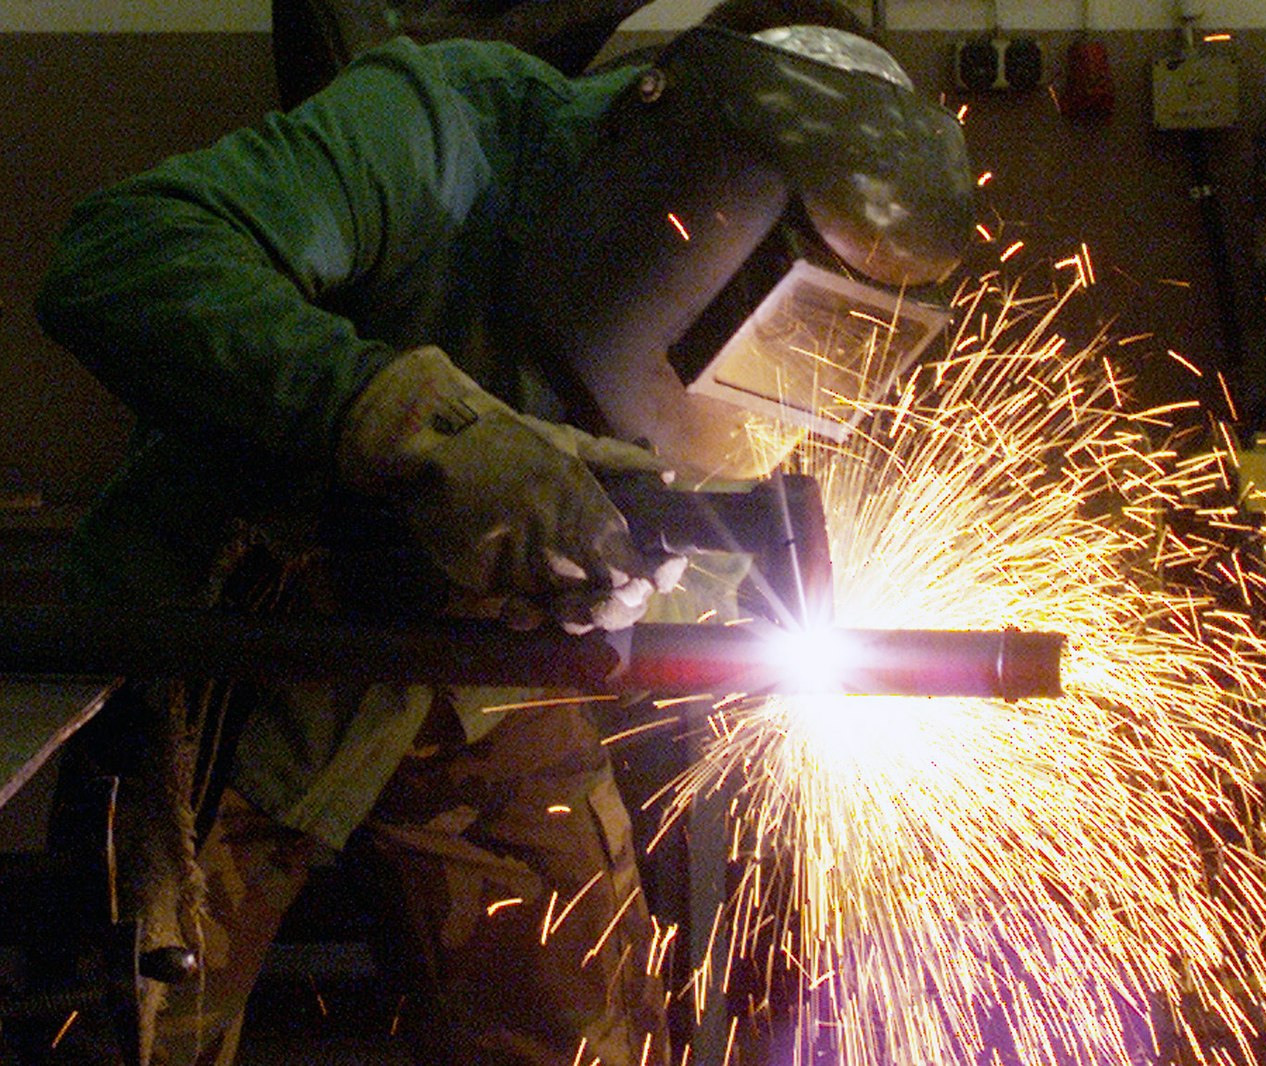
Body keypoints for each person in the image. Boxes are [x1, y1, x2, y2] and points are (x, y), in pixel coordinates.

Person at [29, 1, 972, 1062]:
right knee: (133, 1035)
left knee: (588, 1038)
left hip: (486, 667)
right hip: (234, 649)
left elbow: (709, 482)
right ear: (685, 180)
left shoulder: (812, 300)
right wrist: (402, 421)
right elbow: (121, 256)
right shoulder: (441, 129)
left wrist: (644, 570)